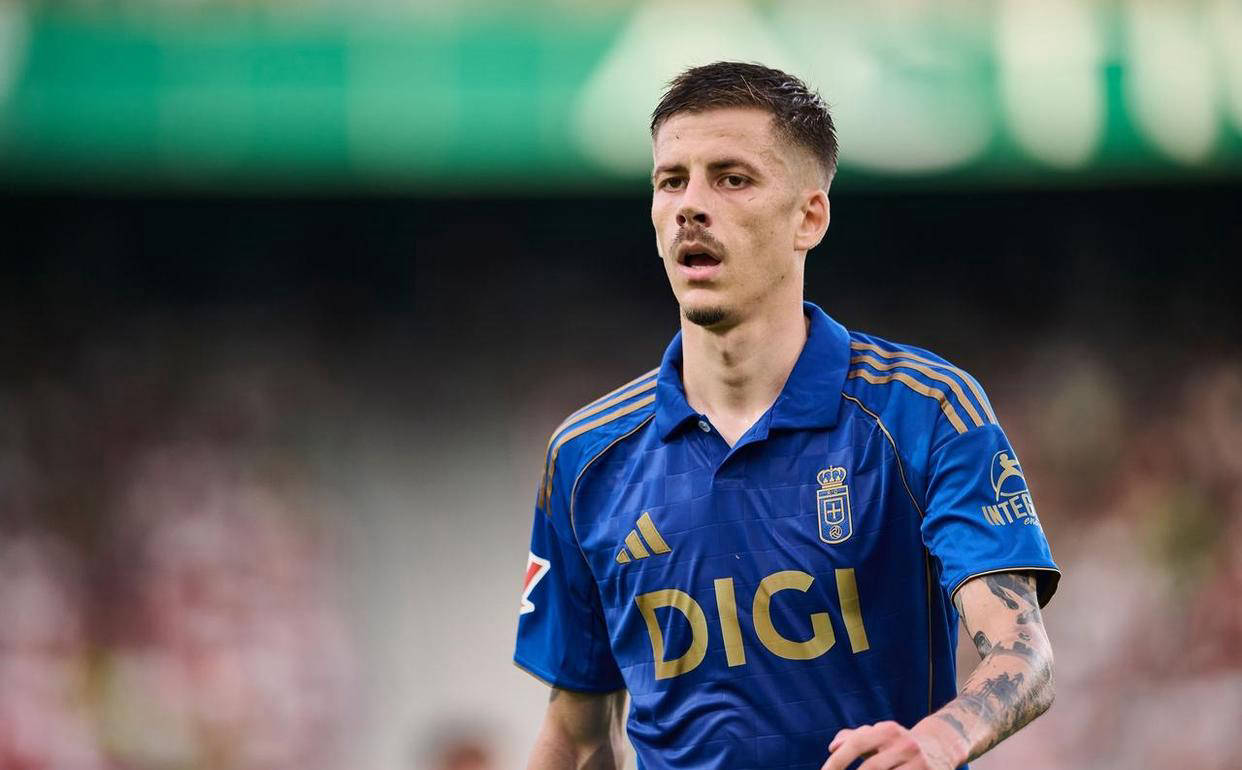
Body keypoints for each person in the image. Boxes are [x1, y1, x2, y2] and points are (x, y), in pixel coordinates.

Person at [514, 61, 1059, 770]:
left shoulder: (924, 411)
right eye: (671, 180)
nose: (690, 206)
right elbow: (578, 736)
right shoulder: (586, 457)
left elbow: (1023, 654)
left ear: (809, 217)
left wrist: (936, 741)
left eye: (731, 179)